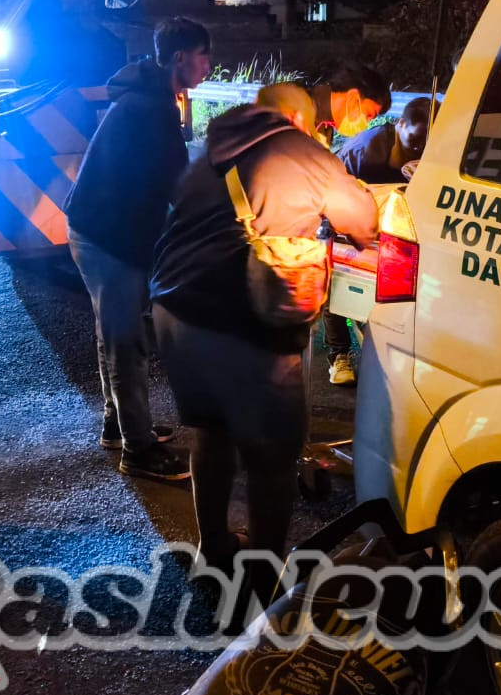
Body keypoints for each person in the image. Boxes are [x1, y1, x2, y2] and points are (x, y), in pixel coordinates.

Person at [149, 81, 378, 564]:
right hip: (243, 320)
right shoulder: (303, 151)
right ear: (298, 120)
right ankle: (261, 585)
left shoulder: (212, 147)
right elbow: (362, 223)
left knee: (212, 433)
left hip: (174, 309)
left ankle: (214, 551)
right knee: (271, 457)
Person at [65, 17, 212, 481]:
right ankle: (138, 449)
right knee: (125, 344)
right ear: (179, 57)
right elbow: (180, 185)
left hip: (96, 230)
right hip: (108, 238)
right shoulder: (153, 108)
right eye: (204, 55)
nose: (209, 65)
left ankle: (119, 423)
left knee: (114, 336)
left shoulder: (148, 97)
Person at [323, 96, 435, 385]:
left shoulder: (430, 155)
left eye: (429, 141)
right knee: (338, 280)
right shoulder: (364, 151)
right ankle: (338, 355)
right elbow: (332, 192)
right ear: (400, 124)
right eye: (417, 138)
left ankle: (379, 349)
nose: (421, 147)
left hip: (387, 221)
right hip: (343, 213)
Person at [309, 63, 391, 149]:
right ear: (354, 98)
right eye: (368, 115)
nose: (366, 124)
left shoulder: (326, 131)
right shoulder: (300, 109)